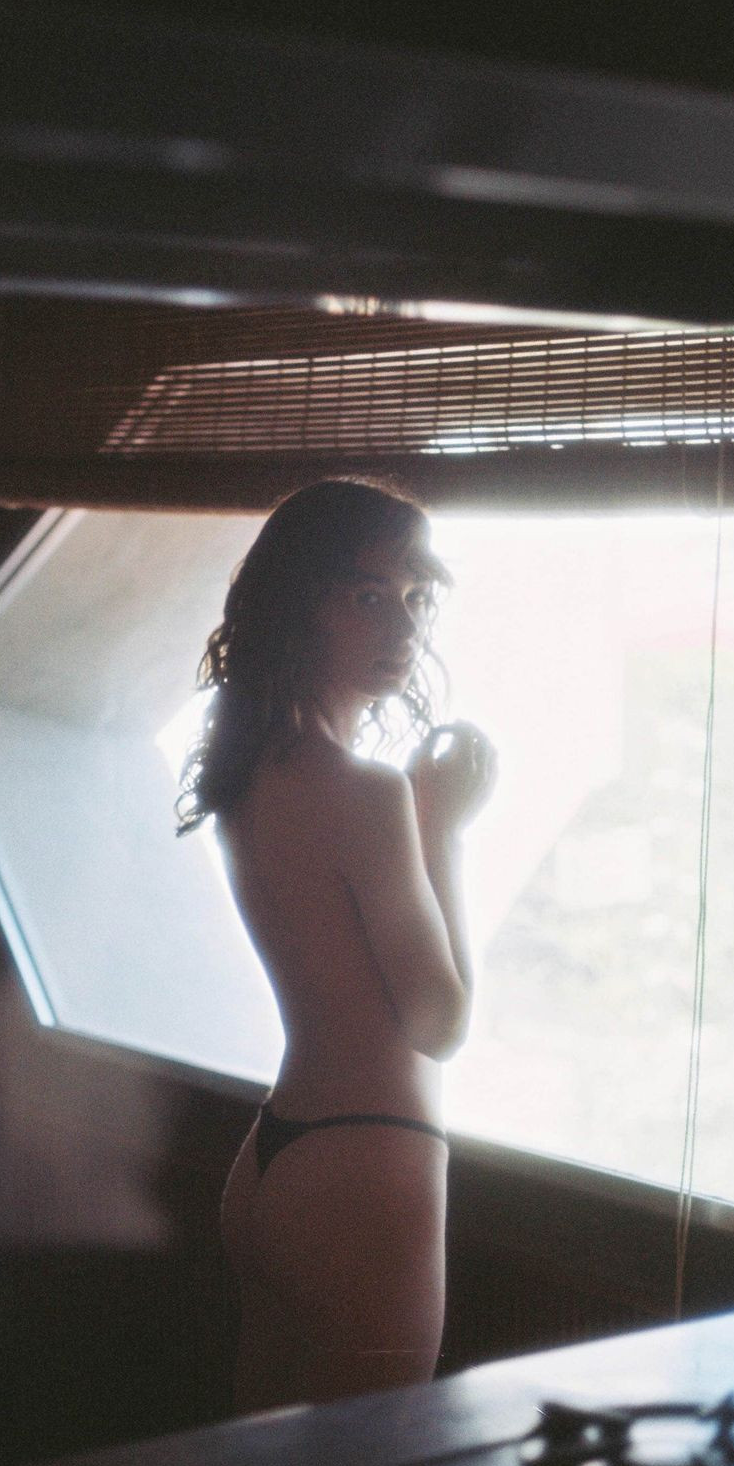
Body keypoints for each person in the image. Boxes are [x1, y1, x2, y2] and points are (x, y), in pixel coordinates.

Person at [176, 480, 496, 1414]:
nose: (404, 626)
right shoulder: (365, 792)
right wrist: (444, 827)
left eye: (416, 597)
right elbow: (439, 1023)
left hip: (275, 1166)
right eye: (368, 595)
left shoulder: (253, 772)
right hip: (366, 1171)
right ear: (298, 605)